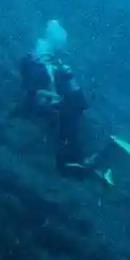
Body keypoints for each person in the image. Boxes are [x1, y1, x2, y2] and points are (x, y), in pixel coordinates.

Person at [15, 20, 114, 184]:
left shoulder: (53, 62)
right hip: (46, 106)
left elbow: (71, 94)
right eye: (61, 42)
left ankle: (82, 160)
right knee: (69, 115)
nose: (64, 46)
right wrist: (51, 97)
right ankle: (76, 161)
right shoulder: (37, 59)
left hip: (54, 103)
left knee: (74, 113)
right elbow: (34, 89)